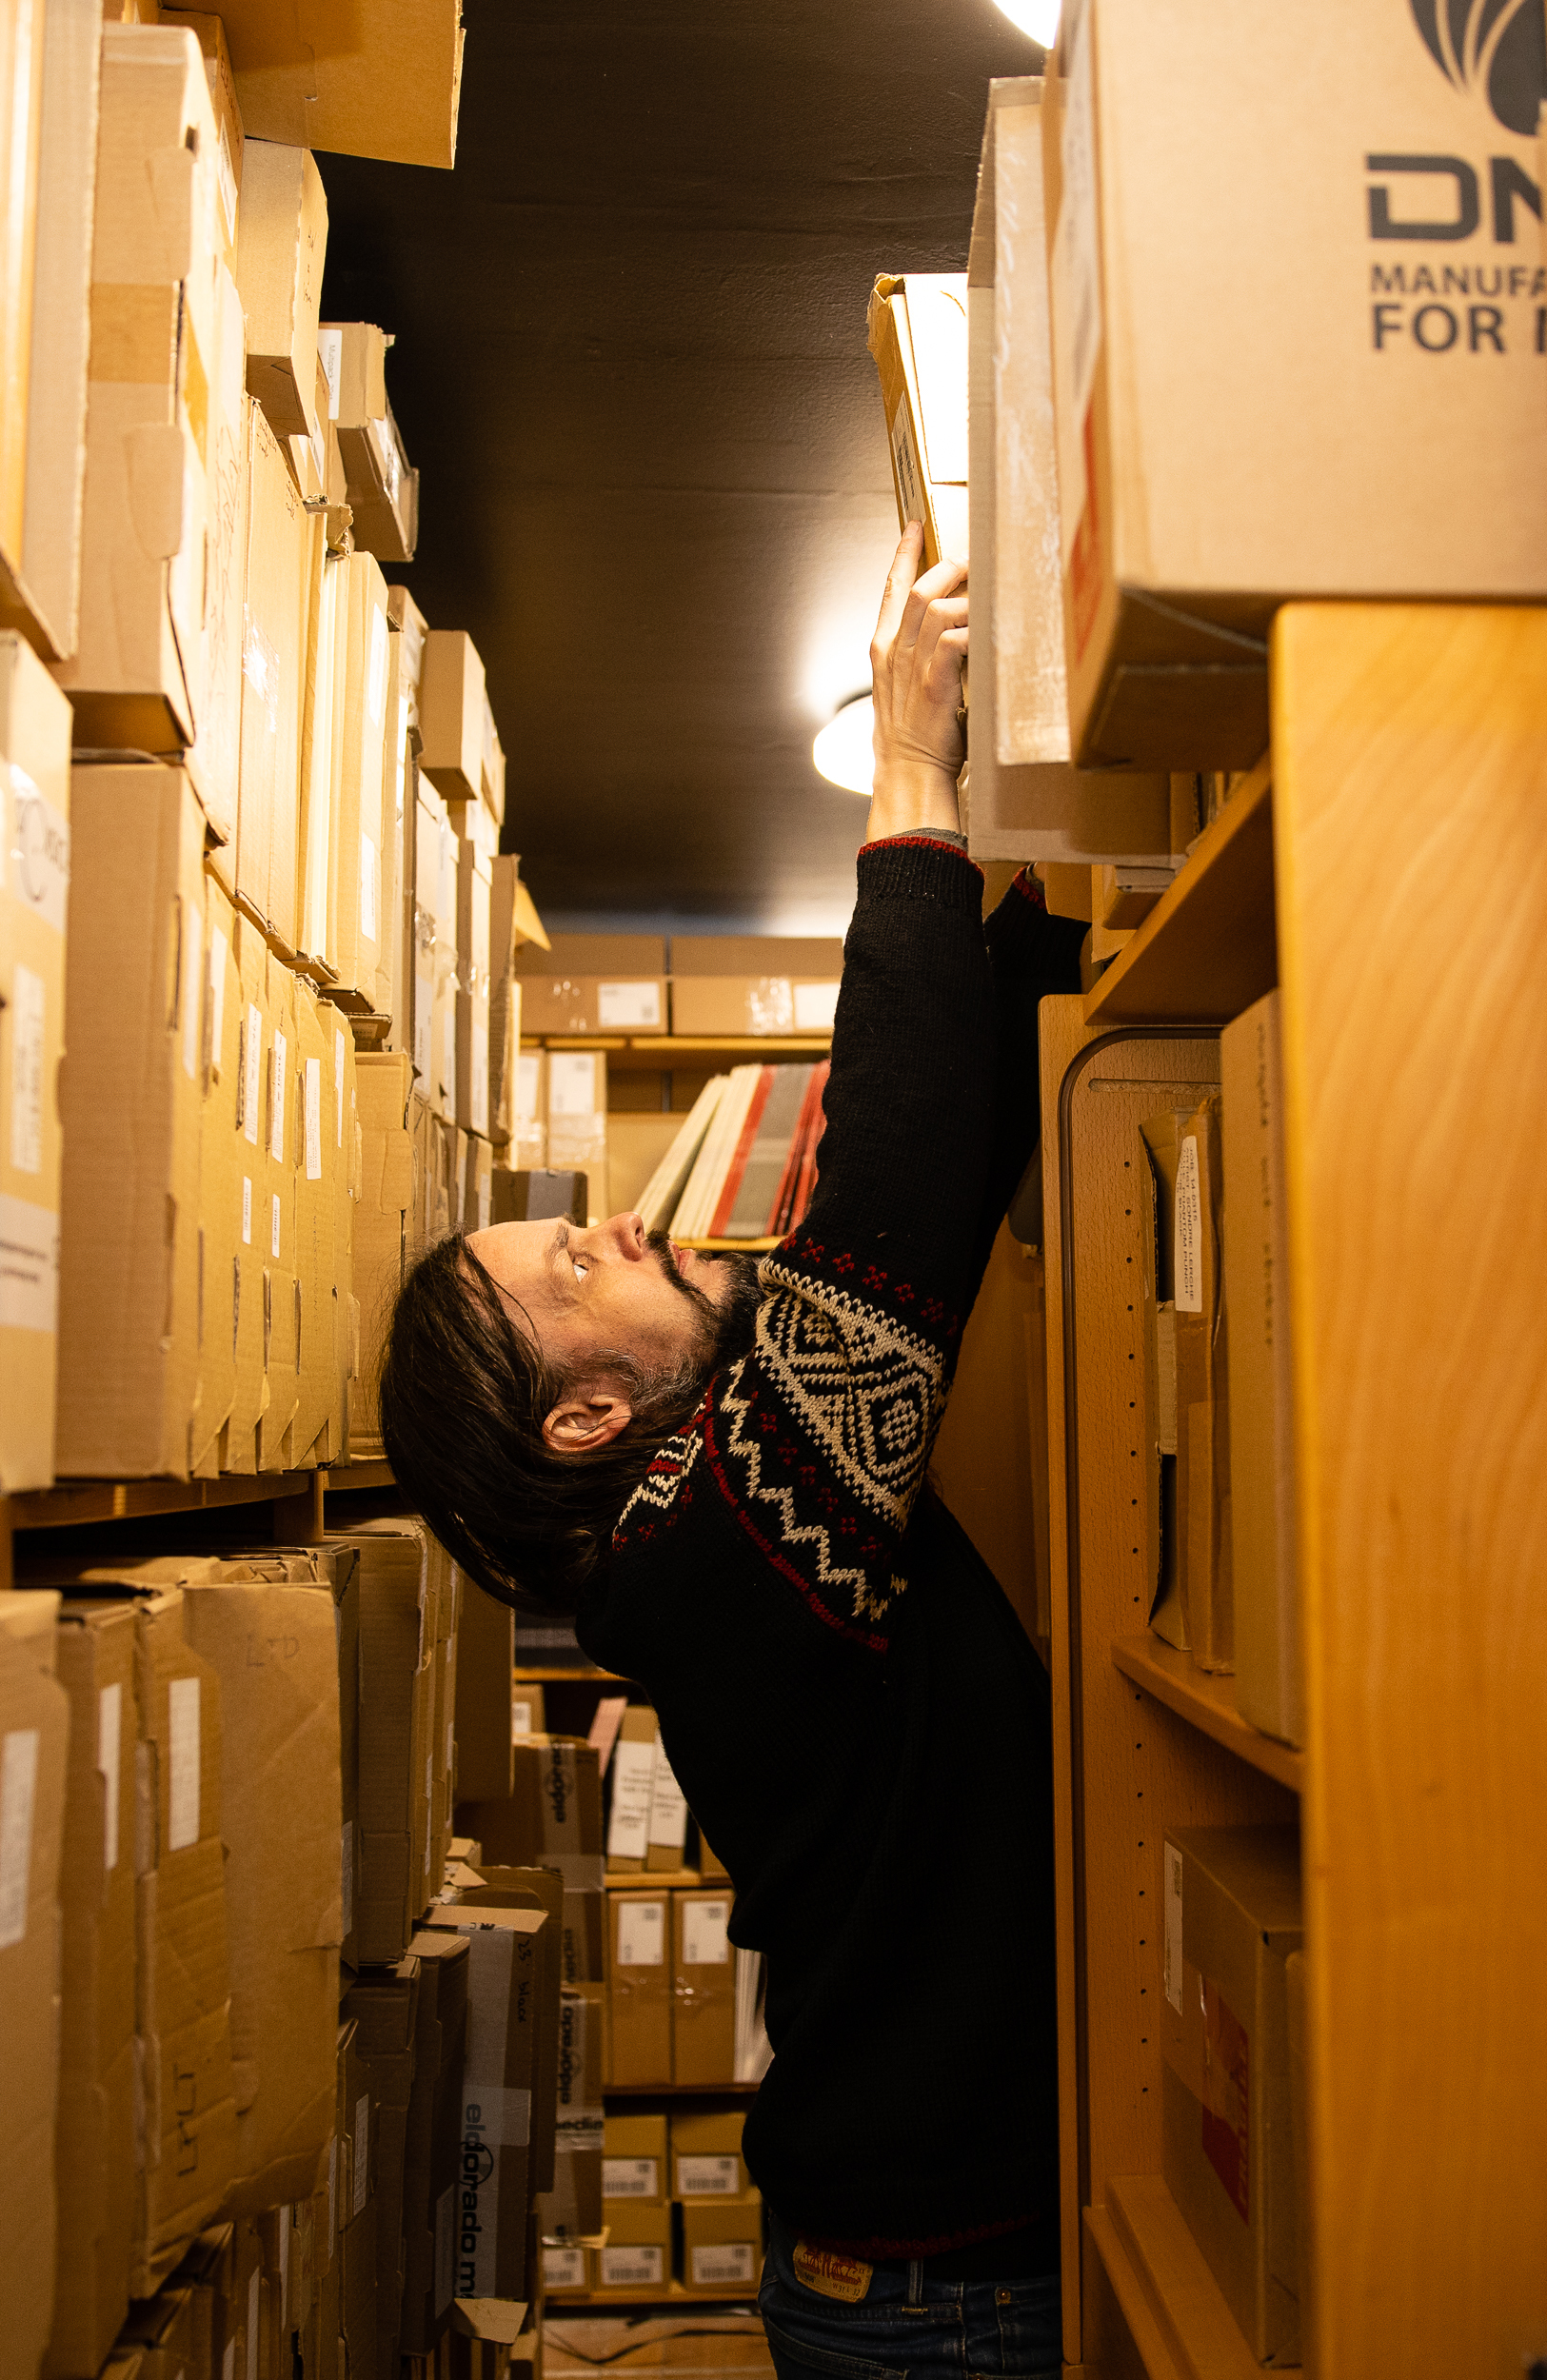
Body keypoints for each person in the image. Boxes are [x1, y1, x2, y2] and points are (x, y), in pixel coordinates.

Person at [382, 523, 1085, 2377]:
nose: (616, 1222)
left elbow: (911, 1161)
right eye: (568, 1266)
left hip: (935, 2264)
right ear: (590, 1419)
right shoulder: (714, 1549)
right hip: (945, 2300)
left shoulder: (710, 1507)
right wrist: (915, 768)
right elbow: (898, 1199)